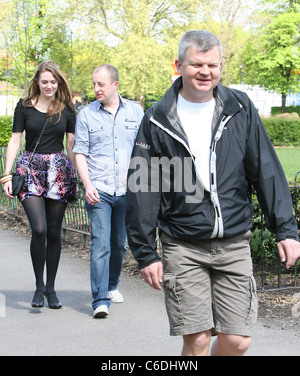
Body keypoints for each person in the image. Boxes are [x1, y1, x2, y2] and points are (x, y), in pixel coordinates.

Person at [125, 30, 300, 356]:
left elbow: (266, 169)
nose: (205, 72)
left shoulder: (240, 108)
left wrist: (286, 229)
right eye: (196, 64)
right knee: (198, 339)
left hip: (233, 242)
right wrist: (146, 252)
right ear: (178, 66)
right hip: (183, 244)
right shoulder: (157, 119)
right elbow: (143, 187)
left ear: (221, 66)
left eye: (212, 65)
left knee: (237, 340)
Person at [2, 60, 77, 309]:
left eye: (53, 82)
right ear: (37, 82)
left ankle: (51, 289)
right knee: (40, 230)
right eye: (44, 81)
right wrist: (6, 175)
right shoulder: (24, 107)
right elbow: (14, 141)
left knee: (54, 233)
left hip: (58, 173)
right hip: (30, 171)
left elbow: (71, 145)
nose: (49, 86)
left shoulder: (67, 109)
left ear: (59, 82)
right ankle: (38, 287)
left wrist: (78, 174)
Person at [73, 64, 144, 318]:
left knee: (119, 244)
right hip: (98, 190)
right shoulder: (86, 115)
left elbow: (143, 148)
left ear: (115, 84)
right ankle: (100, 300)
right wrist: (87, 185)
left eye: (100, 84)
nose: (95, 89)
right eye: (94, 84)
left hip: (127, 192)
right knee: (100, 244)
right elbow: (79, 152)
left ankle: (112, 285)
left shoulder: (136, 111)